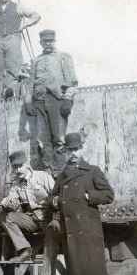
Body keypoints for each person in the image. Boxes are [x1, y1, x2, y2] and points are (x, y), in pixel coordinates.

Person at [52, 132, 113, 275]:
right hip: (70, 234)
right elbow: (51, 198)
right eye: (70, 150)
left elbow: (108, 194)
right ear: (65, 152)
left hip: (89, 233)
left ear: (82, 148)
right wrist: (55, 200)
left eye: (76, 149)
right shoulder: (62, 175)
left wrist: (87, 196)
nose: (73, 154)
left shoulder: (92, 171)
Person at [28, 29, 78, 174]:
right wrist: (27, 102)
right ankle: (48, 173)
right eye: (45, 41)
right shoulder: (36, 60)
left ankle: (61, 173)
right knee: (43, 141)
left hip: (57, 102)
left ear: (54, 41)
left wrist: (68, 100)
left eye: (50, 40)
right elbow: (31, 83)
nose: (48, 43)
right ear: (41, 43)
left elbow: (73, 83)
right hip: (39, 103)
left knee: (59, 140)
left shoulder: (64, 57)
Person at [0, 0, 40, 100]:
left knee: (13, 65)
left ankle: (10, 89)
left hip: (13, 37)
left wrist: (24, 25)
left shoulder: (17, 7)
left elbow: (36, 15)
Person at [0, 150, 54, 262]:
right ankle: (25, 249)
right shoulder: (16, 185)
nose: (18, 170)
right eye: (15, 167)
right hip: (32, 220)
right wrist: (7, 203)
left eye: (20, 166)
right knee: (5, 217)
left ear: (27, 164)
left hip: (48, 218)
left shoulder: (43, 177)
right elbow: (13, 204)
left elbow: (56, 195)